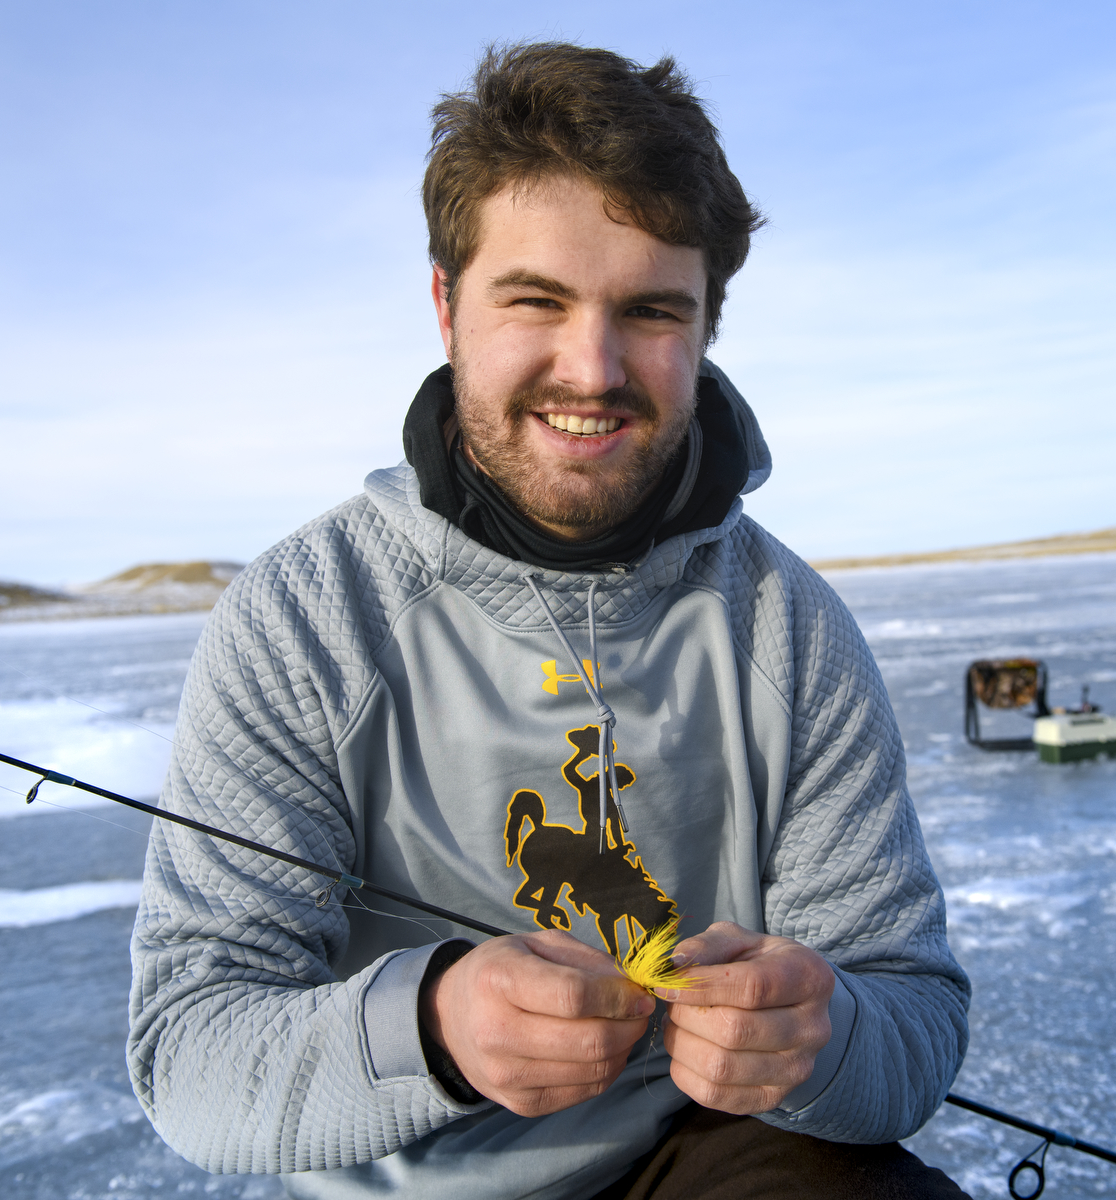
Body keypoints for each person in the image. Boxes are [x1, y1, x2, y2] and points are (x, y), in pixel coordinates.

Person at [128, 42, 972, 1200]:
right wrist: (433, 1026)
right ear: (446, 303)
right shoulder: (300, 620)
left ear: (707, 326)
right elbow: (190, 1055)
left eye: (651, 310)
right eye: (537, 299)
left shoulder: (788, 629)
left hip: (706, 1152)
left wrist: (821, 1038)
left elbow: (911, 1020)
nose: (594, 366)